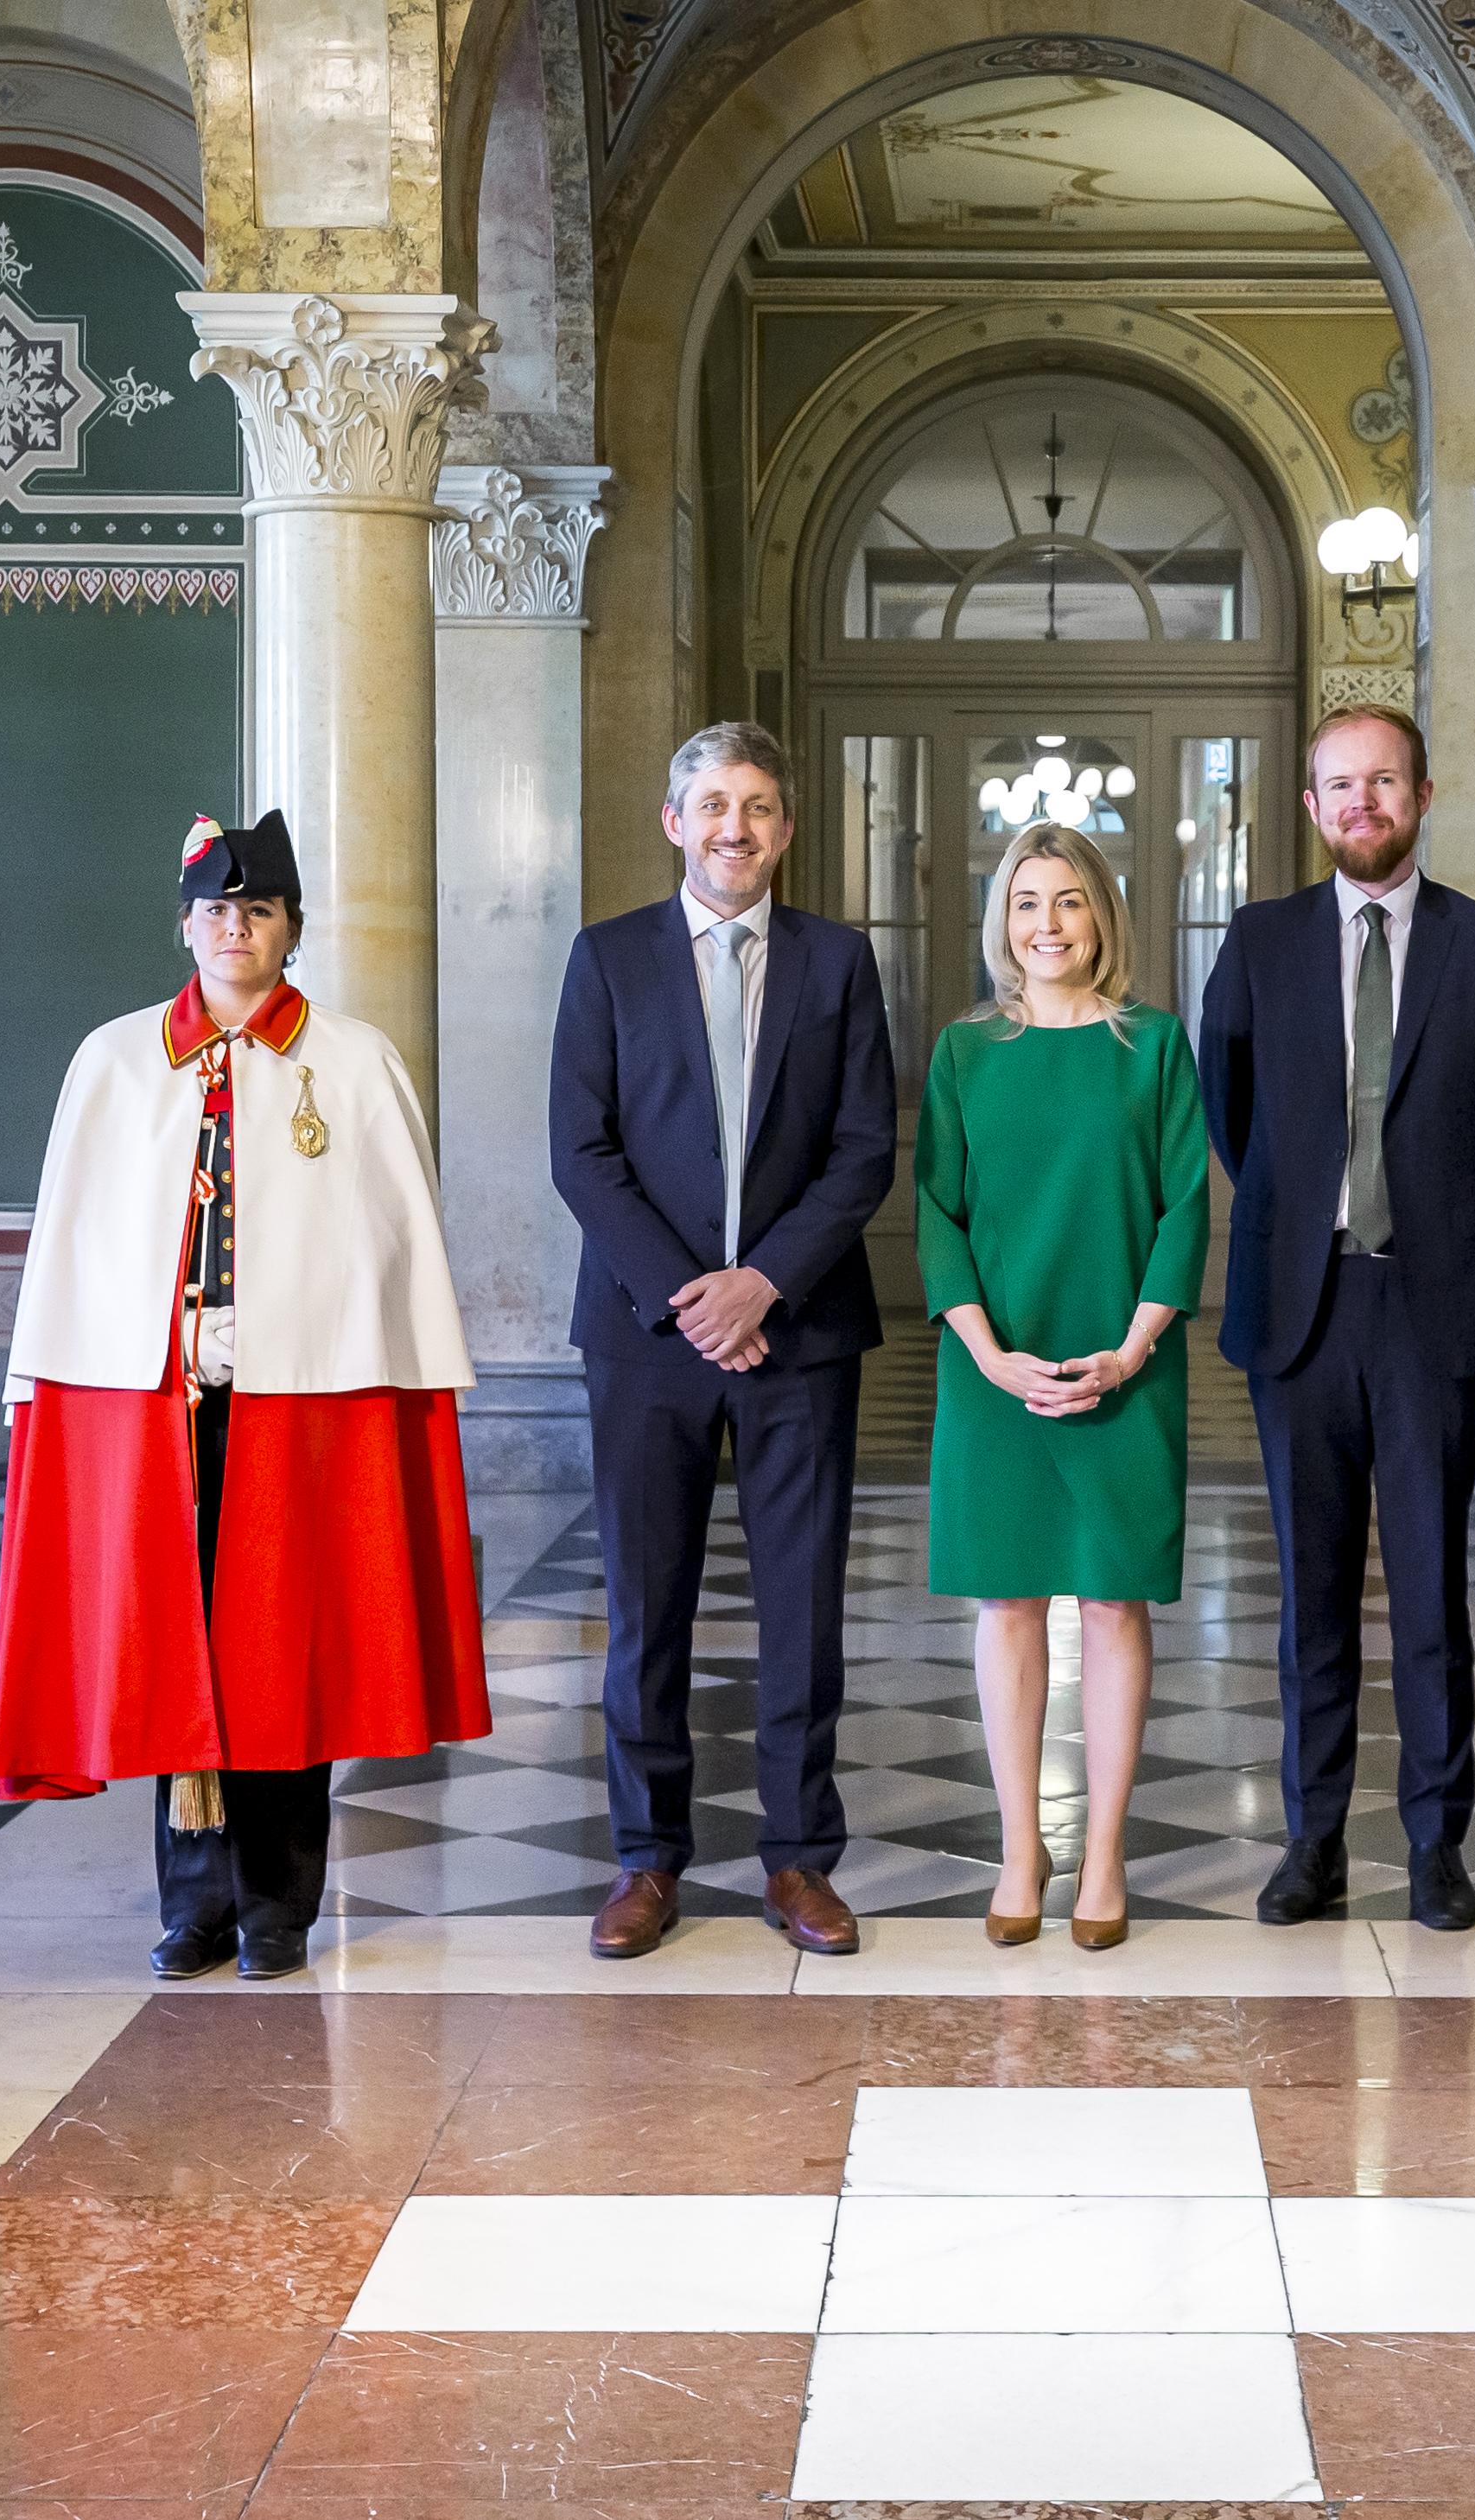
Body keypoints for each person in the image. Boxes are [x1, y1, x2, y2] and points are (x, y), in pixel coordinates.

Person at [0, 808, 491, 1982]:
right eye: (217, 908)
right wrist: (45, 1386)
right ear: (185, 924)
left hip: (303, 1406)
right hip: (153, 1408)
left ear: (291, 930)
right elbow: (73, 1244)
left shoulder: (353, 1061)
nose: (236, 927)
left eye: (258, 910)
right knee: (171, 1647)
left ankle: (278, 1906)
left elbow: (395, 1247)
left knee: (286, 1652)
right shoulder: (113, 1063)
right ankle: (192, 1906)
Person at [1197, 703, 1475, 1932]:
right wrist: (1317, 1220)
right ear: (1310, 806)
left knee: (1432, 1589)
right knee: (1310, 1591)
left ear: (1422, 793)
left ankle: (1436, 1846)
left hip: (1431, 1305)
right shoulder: (1259, 941)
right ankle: (1311, 1841)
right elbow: (1229, 1110)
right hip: (1301, 1305)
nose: (1362, 802)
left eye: (1383, 781)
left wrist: (1428, 1214)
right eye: (1339, 785)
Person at [550, 722, 898, 1960]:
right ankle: (647, 1862)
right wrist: (693, 1295)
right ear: (674, 821)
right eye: (712, 805)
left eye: (756, 806)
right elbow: (580, 1155)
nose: (734, 828)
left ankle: (799, 1859)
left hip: (799, 1332)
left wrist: (761, 1284)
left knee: (803, 1607)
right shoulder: (607, 961)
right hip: (647, 1335)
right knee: (649, 1606)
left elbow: (864, 1149)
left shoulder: (838, 963)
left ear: (786, 828)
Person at [919, 825, 1210, 1952]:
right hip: (995, 1368)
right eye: (1028, 902)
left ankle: (1102, 1855)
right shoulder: (963, 1054)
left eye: (1071, 902)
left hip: (1122, 1363)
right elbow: (937, 1211)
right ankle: (1018, 1848)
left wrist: (1133, 1351)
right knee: (1008, 1604)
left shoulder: (1155, 1049)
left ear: (1104, 919)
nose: (1049, 924)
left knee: (1115, 1602)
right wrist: (988, 1355)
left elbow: (1185, 1204)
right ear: (1003, 921)